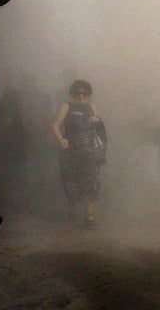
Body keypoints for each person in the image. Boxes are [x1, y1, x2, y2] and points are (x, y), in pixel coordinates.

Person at [51, 79, 107, 227]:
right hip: (71, 151)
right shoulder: (66, 106)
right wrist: (61, 139)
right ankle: (72, 210)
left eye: (84, 93)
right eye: (77, 93)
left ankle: (89, 215)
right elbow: (54, 126)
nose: (81, 96)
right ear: (73, 93)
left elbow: (99, 129)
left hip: (89, 151)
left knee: (92, 181)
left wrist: (97, 124)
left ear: (88, 94)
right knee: (71, 182)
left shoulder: (91, 107)